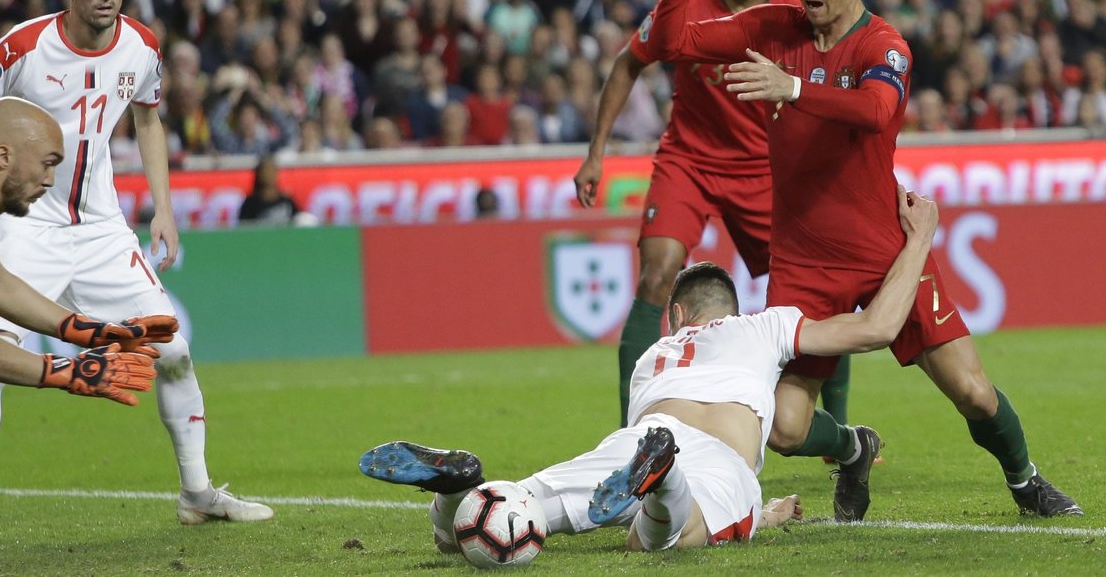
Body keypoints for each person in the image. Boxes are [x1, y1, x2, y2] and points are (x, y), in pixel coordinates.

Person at [645, 0, 1081, 519]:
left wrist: (793, 89)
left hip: (884, 251)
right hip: (802, 260)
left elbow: (877, 111)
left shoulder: (884, 45)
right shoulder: (773, 27)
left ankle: (1025, 479)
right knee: (786, 427)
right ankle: (854, 449)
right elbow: (671, 44)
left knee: (973, 393)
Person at [360, 187, 938, 554]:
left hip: (636, 439)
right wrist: (919, 240)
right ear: (731, 310)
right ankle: (666, 480)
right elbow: (878, 327)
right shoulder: (765, 326)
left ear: (677, 316)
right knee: (663, 537)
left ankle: (455, 497)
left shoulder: (651, 358)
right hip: (718, 456)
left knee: (515, 511)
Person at [0, 0, 273, 543]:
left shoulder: (142, 46)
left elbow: (149, 121)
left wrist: (163, 210)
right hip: (26, 225)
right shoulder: (24, 46)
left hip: (101, 231)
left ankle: (197, 493)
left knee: (173, 351)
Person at [572, 0, 802, 426]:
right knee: (657, 277)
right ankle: (633, 430)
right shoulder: (688, 1)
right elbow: (629, 62)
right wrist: (596, 152)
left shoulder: (793, 12)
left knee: (804, 293)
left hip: (764, 171)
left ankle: (838, 428)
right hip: (689, 161)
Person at [0, 96, 172, 401]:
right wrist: (69, 372)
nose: (49, 181)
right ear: (3, 157)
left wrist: (88, 331)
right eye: (47, 164)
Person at [238, 155, 299, 225]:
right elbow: (244, 226)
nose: (268, 175)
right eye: (265, 171)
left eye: (271, 171)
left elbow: (299, 220)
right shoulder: (250, 204)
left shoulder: (286, 201)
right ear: (258, 174)